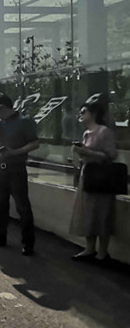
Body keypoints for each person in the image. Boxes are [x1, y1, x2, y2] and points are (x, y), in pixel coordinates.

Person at [0, 93, 40, 256]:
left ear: (2, 107)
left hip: (17, 168)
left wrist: (15, 152)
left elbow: (35, 143)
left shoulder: (24, 121)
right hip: (1, 168)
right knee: (1, 205)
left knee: (22, 206)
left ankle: (28, 242)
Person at [69, 102, 118, 262]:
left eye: (84, 111)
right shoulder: (86, 133)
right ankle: (89, 248)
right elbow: (86, 155)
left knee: (102, 213)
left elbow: (111, 155)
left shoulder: (104, 132)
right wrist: (78, 154)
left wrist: (87, 152)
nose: (80, 114)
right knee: (88, 213)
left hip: (102, 178)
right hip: (88, 176)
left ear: (94, 113)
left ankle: (102, 251)